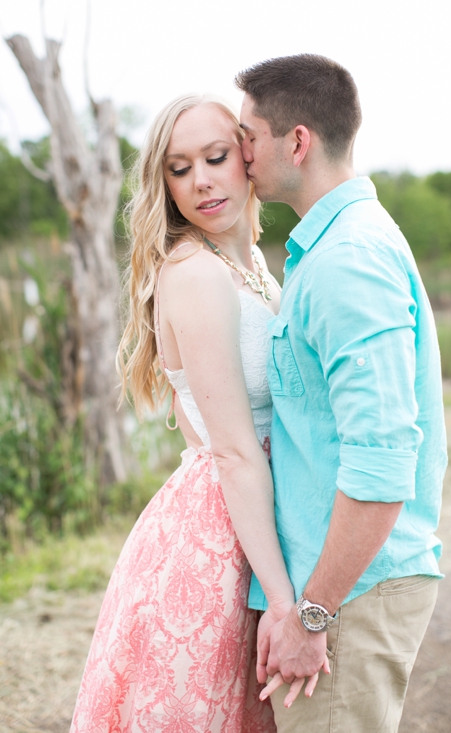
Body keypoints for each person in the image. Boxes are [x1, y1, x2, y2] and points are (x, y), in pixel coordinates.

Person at [70, 94, 323, 731]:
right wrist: (285, 601)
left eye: (215, 157)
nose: (202, 180)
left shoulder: (251, 266)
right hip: (221, 541)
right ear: (166, 186)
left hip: (257, 516)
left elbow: (198, 415)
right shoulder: (194, 276)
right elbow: (231, 449)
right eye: (180, 169)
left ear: (248, 156)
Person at [232, 55, 446, 732]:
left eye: (248, 135)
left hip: (352, 590)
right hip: (336, 583)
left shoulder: (348, 260)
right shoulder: (326, 251)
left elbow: (383, 465)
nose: (240, 154)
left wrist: (313, 613)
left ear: (296, 141)